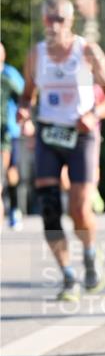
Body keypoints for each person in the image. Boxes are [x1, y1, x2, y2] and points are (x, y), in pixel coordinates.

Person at [18, 0, 105, 299]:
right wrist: (24, 111)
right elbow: (27, 95)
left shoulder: (87, 51)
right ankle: (67, 276)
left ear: (71, 21)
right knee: (49, 209)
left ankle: (90, 253)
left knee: (79, 208)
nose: (54, 25)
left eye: (60, 19)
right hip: (49, 134)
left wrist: (94, 114)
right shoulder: (36, 55)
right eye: (49, 19)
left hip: (82, 134)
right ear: (43, 21)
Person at [1, 42, 27, 229]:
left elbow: (25, 97)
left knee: (11, 173)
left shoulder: (10, 75)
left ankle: (14, 209)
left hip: (9, 131)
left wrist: (27, 120)